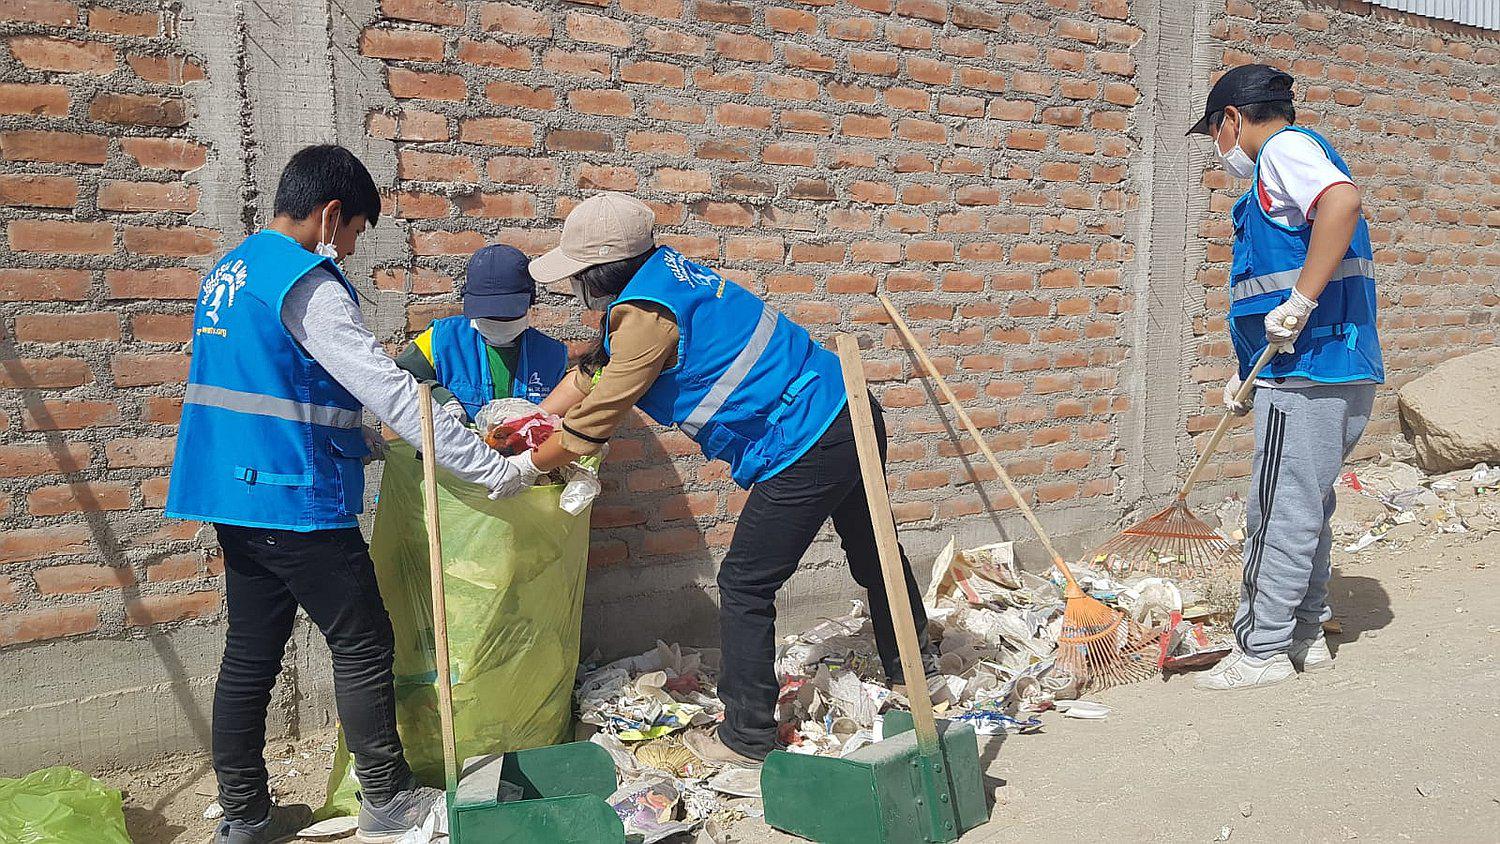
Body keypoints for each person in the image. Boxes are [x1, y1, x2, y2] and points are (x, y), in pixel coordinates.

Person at [164, 145, 536, 843]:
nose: (355, 247)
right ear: (331, 214)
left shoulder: (233, 270)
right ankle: (389, 801)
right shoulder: (306, 279)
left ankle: (245, 816)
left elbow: (275, 387)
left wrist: (364, 443)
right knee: (363, 641)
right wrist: (493, 470)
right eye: (359, 230)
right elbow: (389, 387)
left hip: (231, 494)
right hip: (293, 497)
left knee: (250, 652)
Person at [501, 191, 933, 766]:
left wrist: (523, 466)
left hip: (805, 441)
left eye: (578, 275)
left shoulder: (645, 317)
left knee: (746, 584)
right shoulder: (665, 280)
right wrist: (535, 418)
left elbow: (593, 424)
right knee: (873, 548)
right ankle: (914, 664)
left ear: (599, 272)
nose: (576, 287)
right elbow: (593, 371)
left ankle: (746, 735)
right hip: (847, 406)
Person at [1186, 65, 1383, 691]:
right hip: (1332, 368)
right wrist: (1247, 376)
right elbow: (1270, 286)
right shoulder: (1293, 162)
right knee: (1309, 509)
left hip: (1307, 372)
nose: (1220, 153)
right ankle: (1303, 634)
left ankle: (1260, 650)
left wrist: (1298, 302)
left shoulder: (1282, 150)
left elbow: (1342, 204)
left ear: (1233, 121)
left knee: (1276, 511)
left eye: (1215, 136)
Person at [394, 244, 567, 421]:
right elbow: (398, 377)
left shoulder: (553, 356)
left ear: (529, 303)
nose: (498, 321)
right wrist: (440, 398)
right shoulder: (441, 339)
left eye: (506, 314)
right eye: (488, 315)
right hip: (451, 447)